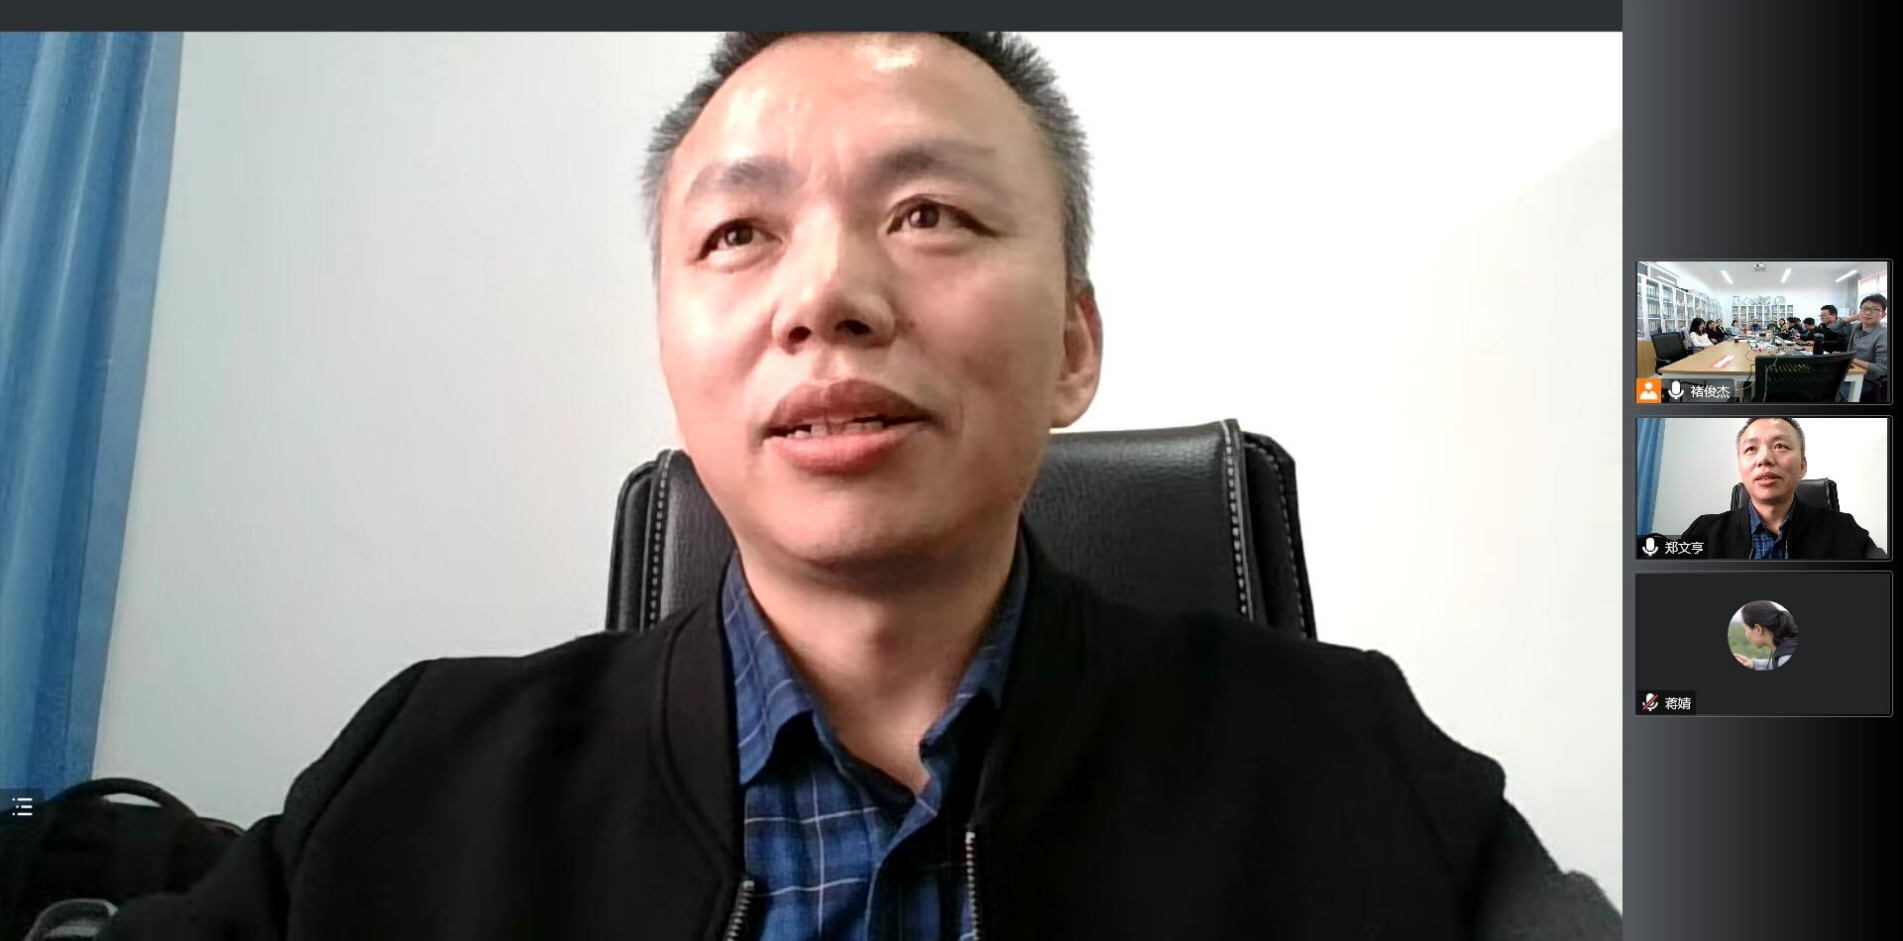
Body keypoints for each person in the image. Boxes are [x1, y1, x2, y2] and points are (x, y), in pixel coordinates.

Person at [100, 32, 1620, 939]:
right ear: (669, 353)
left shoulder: (1348, 758)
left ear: (1073, 346)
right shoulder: (421, 778)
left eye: (930, 212)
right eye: (737, 235)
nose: (824, 294)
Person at [1678, 417, 1882, 559]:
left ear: (1802, 466)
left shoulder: (1844, 530)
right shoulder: (1703, 531)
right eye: (1751, 448)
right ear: (1740, 467)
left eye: (1780, 446)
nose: (1764, 458)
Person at [1730, 600, 1799, 670]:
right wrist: (1753, 664)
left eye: (1744, 630)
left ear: (1758, 629)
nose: (1745, 634)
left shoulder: (1785, 657)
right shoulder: (1785, 646)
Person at [1846, 293, 1889, 402]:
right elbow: (1834, 328)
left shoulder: (1884, 335)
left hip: (1868, 381)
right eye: (1864, 308)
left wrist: (1849, 358)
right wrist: (1854, 317)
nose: (1868, 312)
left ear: (1883, 314)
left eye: (1875, 309)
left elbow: (1882, 369)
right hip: (1849, 372)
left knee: (1829, 393)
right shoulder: (1856, 327)